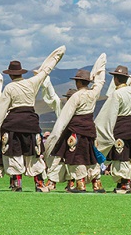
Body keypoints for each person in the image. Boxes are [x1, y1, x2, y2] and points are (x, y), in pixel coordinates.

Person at [0, 46, 66, 192]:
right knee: (33, 153)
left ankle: (17, 184)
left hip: (13, 124)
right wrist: (57, 55)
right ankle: (39, 184)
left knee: (14, 153)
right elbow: (46, 71)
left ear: (10, 75)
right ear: (20, 73)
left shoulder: (9, 88)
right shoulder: (32, 82)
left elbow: (1, 110)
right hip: (30, 123)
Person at [44, 54, 106, 193]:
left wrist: (57, 133)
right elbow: (100, 83)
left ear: (78, 82)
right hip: (90, 130)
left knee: (77, 156)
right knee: (90, 155)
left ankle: (80, 184)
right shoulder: (93, 93)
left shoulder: (76, 96)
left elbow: (65, 116)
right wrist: (100, 69)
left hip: (75, 131)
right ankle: (97, 183)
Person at [95, 61, 131, 194]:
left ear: (116, 79)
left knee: (121, 155)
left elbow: (110, 114)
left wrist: (103, 128)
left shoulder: (116, 94)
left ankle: (124, 184)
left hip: (121, 128)